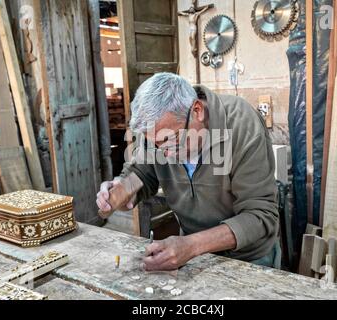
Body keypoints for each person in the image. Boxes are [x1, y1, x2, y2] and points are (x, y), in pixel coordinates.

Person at [96, 73, 280, 272]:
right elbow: (143, 172)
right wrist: (121, 191)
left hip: (248, 257)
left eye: (170, 140)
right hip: (193, 252)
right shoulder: (157, 131)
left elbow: (260, 215)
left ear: (197, 111)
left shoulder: (242, 124)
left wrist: (192, 245)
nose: (163, 153)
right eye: (155, 144)